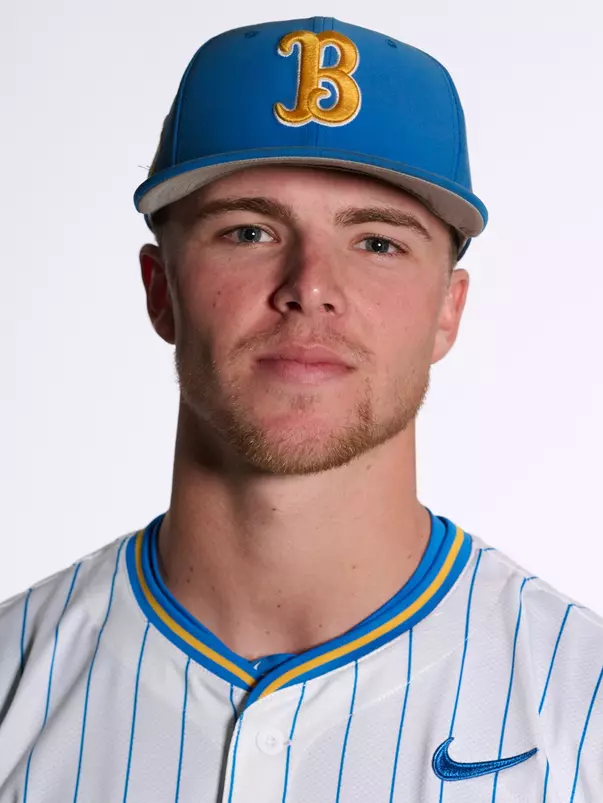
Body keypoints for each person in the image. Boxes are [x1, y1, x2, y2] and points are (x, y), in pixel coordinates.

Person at [0, 15, 602, 803]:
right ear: (159, 290)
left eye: (378, 242)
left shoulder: (582, 706)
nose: (309, 285)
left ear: (448, 310)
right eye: (248, 231)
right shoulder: (12, 681)